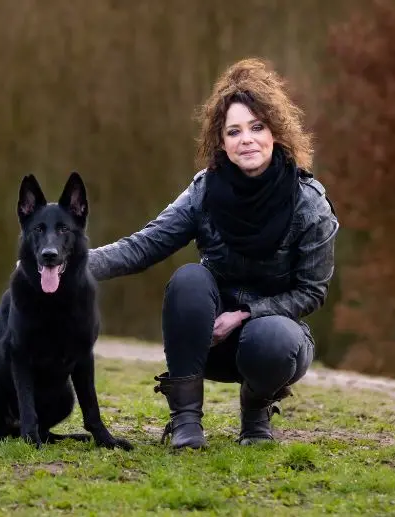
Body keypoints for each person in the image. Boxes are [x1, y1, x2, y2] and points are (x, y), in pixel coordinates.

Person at [87, 57, 339, 449]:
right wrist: (70, 262)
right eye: (234, 131)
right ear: (221, 142)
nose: (247, 139)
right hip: (210, 340)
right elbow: (143, 245)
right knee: (188, 279)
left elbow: (312, 291)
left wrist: (245, 314)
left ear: (276, 132)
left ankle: (256, 413)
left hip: (275, 341)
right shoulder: (204, 192)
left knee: (268, 337)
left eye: (257, 127)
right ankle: (186, 422)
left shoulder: (309, 204)